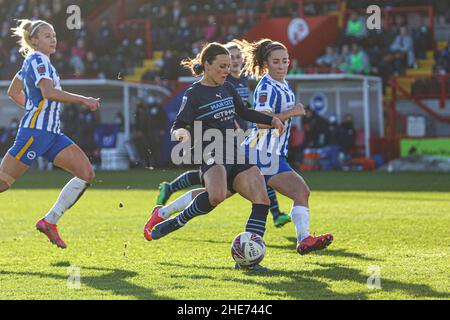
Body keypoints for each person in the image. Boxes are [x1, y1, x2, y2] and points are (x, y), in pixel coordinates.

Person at [144, 42, 285, 270]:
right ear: (207, 65)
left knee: (262, 199)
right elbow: (178, 124)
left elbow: (245, 112)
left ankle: (248, 261)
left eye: (228, 66)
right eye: (221, 66)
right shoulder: (193, 93)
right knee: (216, 196)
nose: (226, 71)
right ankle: (176, 222)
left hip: (235, 152)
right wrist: (180, 133)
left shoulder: (228, 87)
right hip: (211, 151)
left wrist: (272, 120)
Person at [1, 19, 100, 249]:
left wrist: (34, 108)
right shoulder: (37, 60)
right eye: (47, 35)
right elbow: (48, 92)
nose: (53, 38)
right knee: (2, 183)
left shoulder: (37, 62)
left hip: (52, 134)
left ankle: (49, 221)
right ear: (34, 41)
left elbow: (13, 92)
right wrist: (83, 100)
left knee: (86, 174)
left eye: (54, 34)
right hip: (35, 134)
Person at [241, 38, 333, 255]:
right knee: (217, 196)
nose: (282, 66)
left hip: (272, 154)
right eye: (276, 62)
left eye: (285, 61)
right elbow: (261, 122)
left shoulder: (283, 84)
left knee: (301, 192)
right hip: (259, 152)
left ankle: (304, 240)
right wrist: (292, 112)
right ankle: (302, 239)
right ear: (266, 64)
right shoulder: (266, 86)